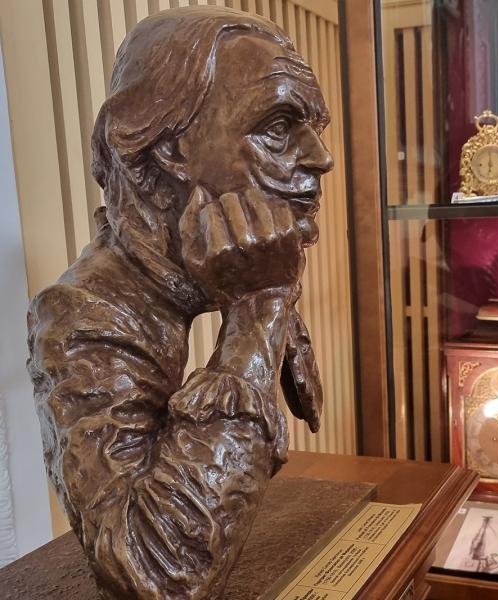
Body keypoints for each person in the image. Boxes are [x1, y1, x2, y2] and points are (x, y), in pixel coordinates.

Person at [26, 8, 333, 599]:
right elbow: (160, 575)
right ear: (170, 147)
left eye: (313, 127)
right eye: (277, 127)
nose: (321, 156)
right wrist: (259, 311)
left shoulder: (227, 261)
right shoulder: (80, 318)